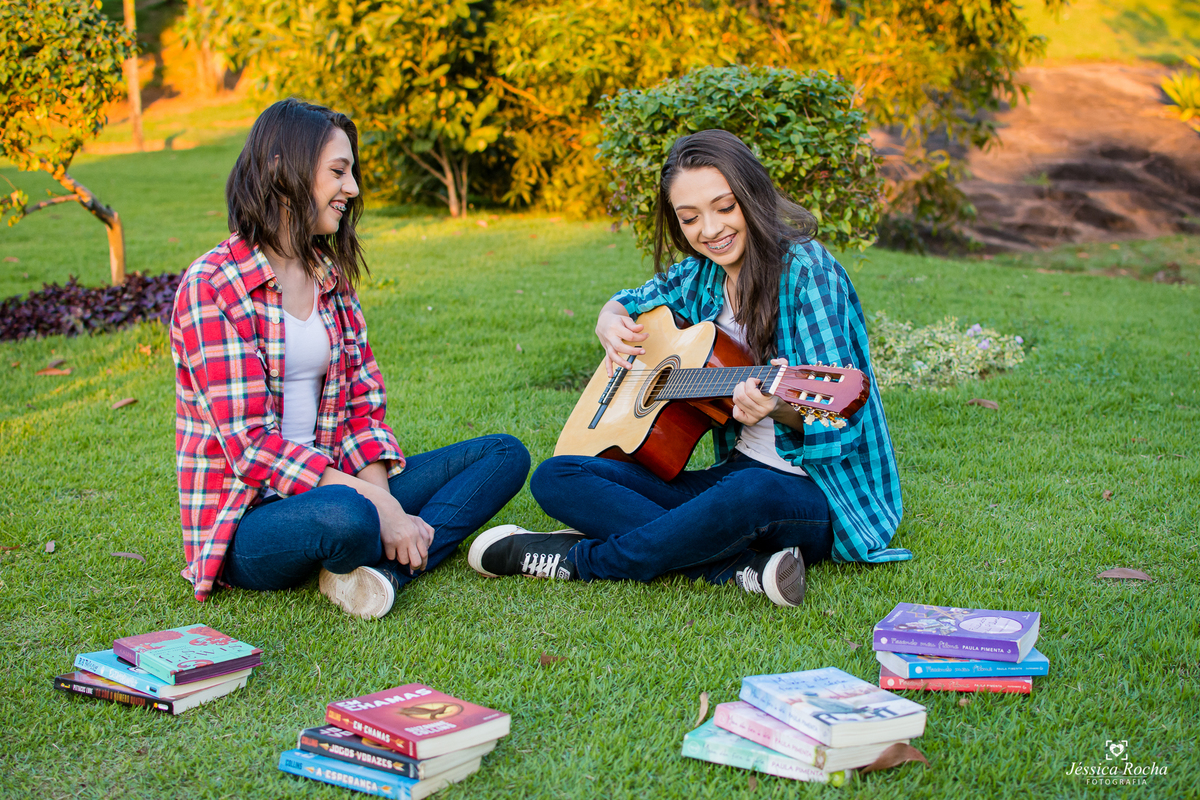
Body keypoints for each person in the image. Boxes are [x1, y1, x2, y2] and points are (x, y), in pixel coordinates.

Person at [467, 129, 907, 607]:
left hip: (816, 494)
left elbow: (841, 420)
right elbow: (629, 302)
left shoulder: (807, 270)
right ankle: (734, 567)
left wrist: (779, 409)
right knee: (558, 476)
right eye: (690, 218)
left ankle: (578, 560)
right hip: (737, 473)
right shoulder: (700, 273)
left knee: (748, 493)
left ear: (752, 195)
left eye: (725, 207)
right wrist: (608, 319)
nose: (711, 229)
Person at [171, 99, 529, 619]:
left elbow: (362, 407)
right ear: (280, 169)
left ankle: (381, 573)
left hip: (341, 484)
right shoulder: (212, 285)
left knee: (504, 454)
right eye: (338, 172)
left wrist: (382, 497)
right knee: (351, 517)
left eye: (351, 172)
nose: (353, 188)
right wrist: (380, 509)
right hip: (252, 519)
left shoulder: (329, 277)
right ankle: (382, 547)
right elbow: (251, 448)